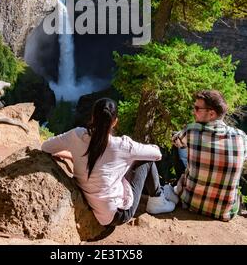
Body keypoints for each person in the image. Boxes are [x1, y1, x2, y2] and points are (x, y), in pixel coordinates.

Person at [41, 98, 175, 226]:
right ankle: (157, 200)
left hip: (93, 205)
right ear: (115, 121)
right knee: (146, 161)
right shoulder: (122, 145)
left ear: (92, 117)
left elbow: (46, 147)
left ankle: (158, 197)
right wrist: (133, 153)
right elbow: (157, 154)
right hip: (116, 215)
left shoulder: (76, 135)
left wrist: (71, 155)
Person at [164, 90, 247, 221]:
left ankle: (178, 187)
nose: (193, 111)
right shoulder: (242, 137)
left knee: (179, 146)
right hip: (225, 212)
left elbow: (175, 140)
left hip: (191, 204)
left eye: (197, 108)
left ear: (212, 113)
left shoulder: (191, 130)